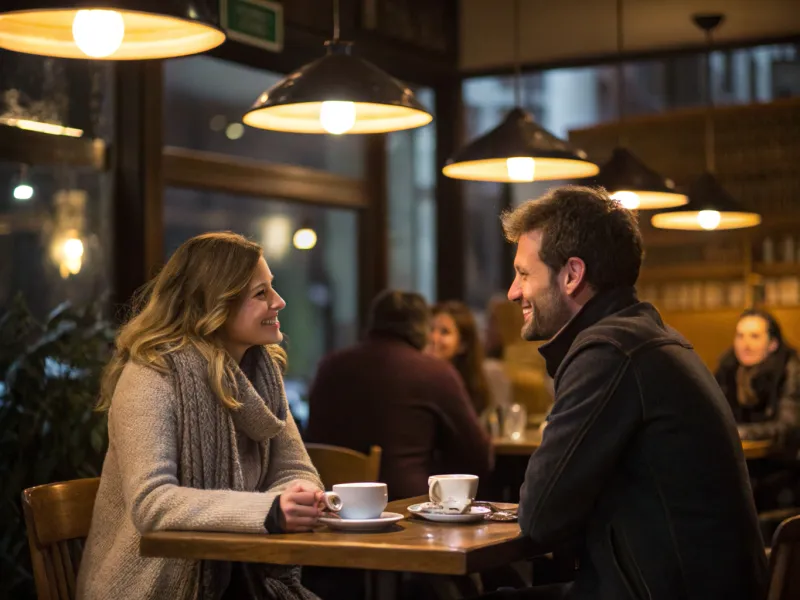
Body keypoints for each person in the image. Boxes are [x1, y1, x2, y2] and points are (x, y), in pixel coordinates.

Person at [481, 186, 767, 600]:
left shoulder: (609, 352)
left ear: (572, 275)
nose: (512, 291)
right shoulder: (648, 337)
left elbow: (540, 515)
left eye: (524, 274)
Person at [77, 232, 324, 600]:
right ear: (214, 305)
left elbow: (296, 470)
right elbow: (153, 504)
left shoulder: (260, 375)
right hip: (151, 587)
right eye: (261, 294)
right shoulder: (152, 374)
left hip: (241, 577)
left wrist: (296, 497)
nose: (279, 301)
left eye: (272, 288)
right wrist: (270, 511)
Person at [305, 290, 492, 501]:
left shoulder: (329, 366)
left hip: (329, 504)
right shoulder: (434, 373)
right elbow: (477, 453)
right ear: (422, 328)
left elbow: (312, 439)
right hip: (405, 508)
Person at [715, 308, 800, 444]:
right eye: (740, 336)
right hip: (740, 457)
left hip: (779, 459)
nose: (745, 344)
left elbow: (788, 427)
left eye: (754, 336)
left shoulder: (789, 369)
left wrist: (743, 432)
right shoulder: (728, 369)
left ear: (773, 344)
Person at [427, 300, 494, 415]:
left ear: (463, 345)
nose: (433, 338)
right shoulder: (414, 378)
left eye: (444, 332)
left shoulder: (468, 388)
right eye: (430, 329)